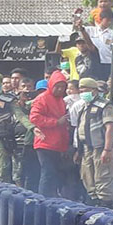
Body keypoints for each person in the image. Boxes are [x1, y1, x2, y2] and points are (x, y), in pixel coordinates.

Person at [74, 78, 113, 207]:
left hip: (101, 148)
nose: (82, 93)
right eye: (80, 90)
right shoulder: (83, 107)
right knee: (88, 180)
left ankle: (106, 209)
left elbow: (110, 127)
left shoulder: (105, 106)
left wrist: (107, 149)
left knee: (103, 179)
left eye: (85, 90)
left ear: (94, 90)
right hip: (87, 149)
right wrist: (79, 151)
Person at [29, 70, 70, 198]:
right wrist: (56, 122)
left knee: (54, 172)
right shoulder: (42, 98)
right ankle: (44, 198)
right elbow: (34, 117)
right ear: (51, 85)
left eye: (62, 87)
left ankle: (51, 196)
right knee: (48, 172)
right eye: (57, 86)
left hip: (58, 143)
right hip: (45, 142)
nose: (59, 89)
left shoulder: (61, 101)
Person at [13, 78, 40, 191]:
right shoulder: (13, 103)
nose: (26, 90)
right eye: (23, 86)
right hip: (16, 142)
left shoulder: (37, 102)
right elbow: (20, 116)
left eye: (29, 87)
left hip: (31, 142)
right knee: (17, 172)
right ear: (18, 88)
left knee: (32, 170)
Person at [77, 10, 113, 81]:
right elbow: (79, 31)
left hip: (107, 61)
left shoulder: (112, 33)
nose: (109, 22)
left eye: (110, 21)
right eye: (107, 20)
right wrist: (79, 22)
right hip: (94, 60)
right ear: (101, 19)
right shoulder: (91, 30)